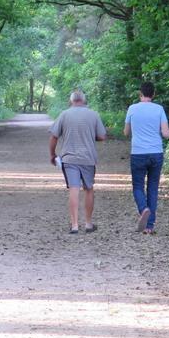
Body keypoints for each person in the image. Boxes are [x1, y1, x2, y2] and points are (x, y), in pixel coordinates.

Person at [49, 90, 107, 234]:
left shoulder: (64, 114)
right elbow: (102, 136)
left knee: (74, 189)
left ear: (71, 101)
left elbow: (54, 136)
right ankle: (88, 224)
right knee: (88, 189)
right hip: (88, 158)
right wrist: (90, 135)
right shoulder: (93, 114)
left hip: (69, 159)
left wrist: (52, 154)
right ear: (84, 100)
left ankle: (74, 225)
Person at [124, 81, 169, 234]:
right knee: (152, 188)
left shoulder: (132, 108)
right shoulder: (159, 109)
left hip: (138, 152)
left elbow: (125, 132)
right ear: (153, 94)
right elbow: (166, 134)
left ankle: (143, 209)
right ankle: (149, 226)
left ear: (140, 94)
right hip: (156, 152)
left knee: (138, 186)